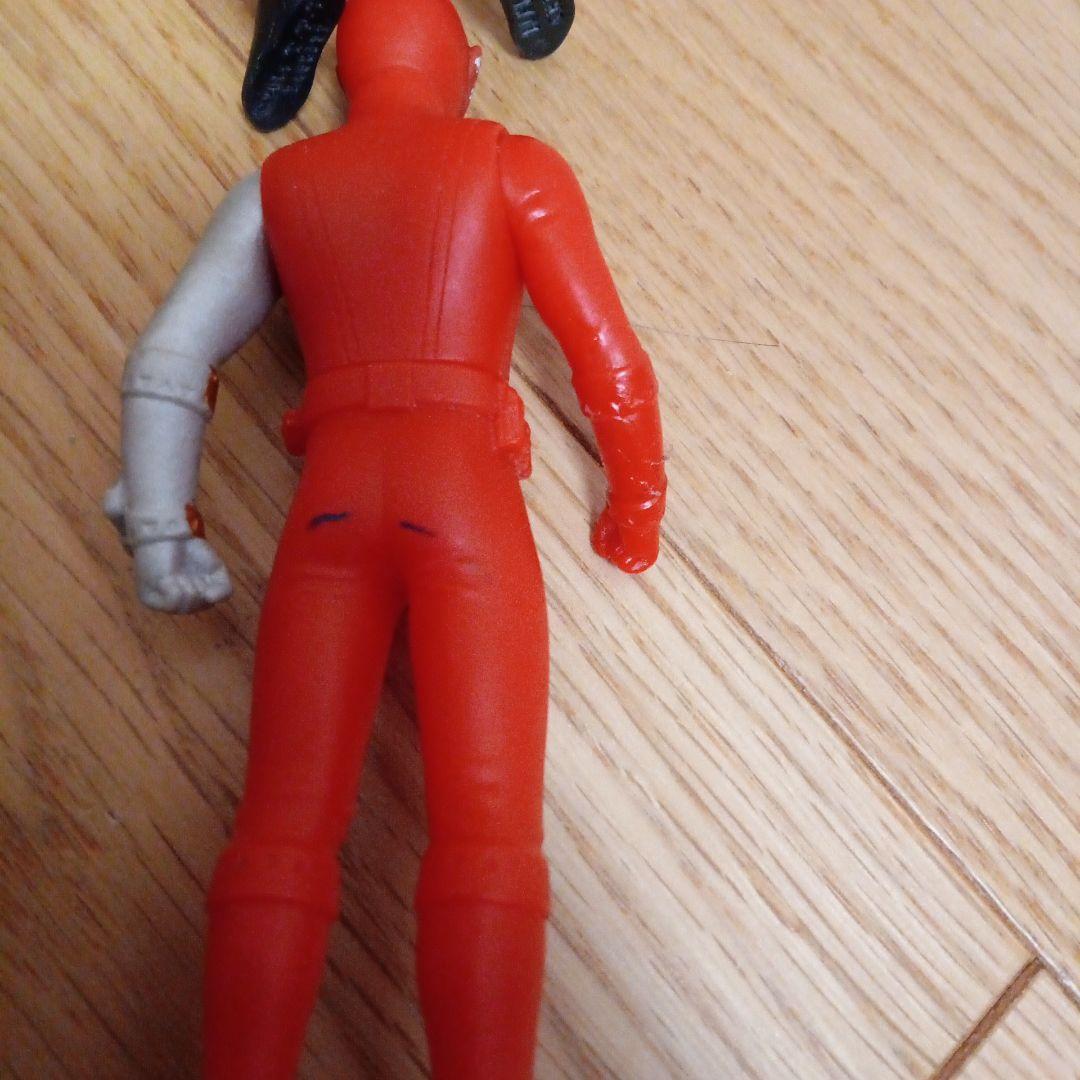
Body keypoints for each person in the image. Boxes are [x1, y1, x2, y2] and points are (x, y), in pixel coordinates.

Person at [105, 0, 666, 1075]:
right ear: (465, 65)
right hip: (463, 496)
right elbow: (612, 363)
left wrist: (162, 527)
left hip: (331, 504)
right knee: (489, 835)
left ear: (347, 71)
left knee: (279, 827)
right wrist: (634, 504)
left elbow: (168, 358)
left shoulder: (279, 189)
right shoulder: (511, 165)